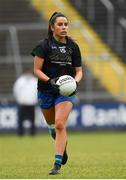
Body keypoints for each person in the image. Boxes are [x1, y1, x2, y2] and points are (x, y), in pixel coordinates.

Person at [31, 12, 83, 175]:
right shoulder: (43, 45)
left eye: (66, 24)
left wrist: (75, 82)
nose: (64, 27)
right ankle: (61, 142)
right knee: (53, 126)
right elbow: (37, 70)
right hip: (46, 90)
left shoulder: (73, 46)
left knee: (60, 124)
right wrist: (50, 82)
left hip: (66, 92)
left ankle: (57, 164)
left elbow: (79, 71)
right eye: (60, 24)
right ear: (52, 27)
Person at [13, 69, 38, 136]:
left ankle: (32, 133)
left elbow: (37, 92)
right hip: (22, 103)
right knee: (20, 120)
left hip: (32, 104)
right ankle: (20, 133)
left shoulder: (34, 81)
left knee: (32, 120)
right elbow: (16, 91)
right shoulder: (20, 81)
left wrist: (35, 100)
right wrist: (19, 100)